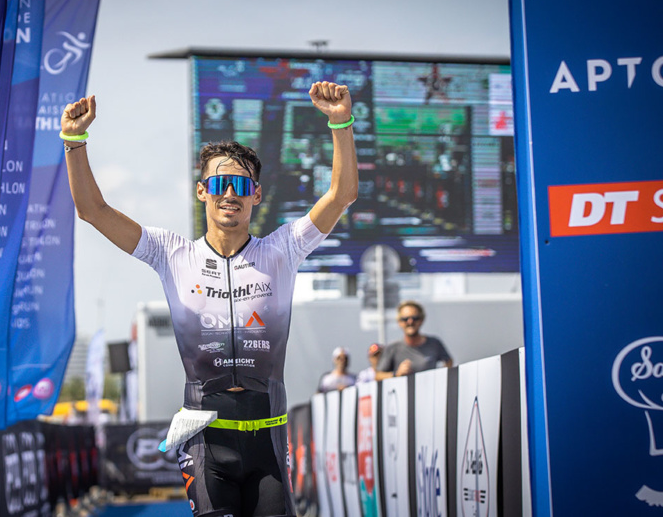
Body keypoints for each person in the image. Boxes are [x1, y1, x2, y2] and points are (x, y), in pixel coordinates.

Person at [61, 82, 357, 517]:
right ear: (202, 191)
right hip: (206, 438)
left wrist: (340, 123)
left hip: (269, 438)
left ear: (256, 195)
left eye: (241, 184)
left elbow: (341, 195)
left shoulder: (283, 249)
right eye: (219, 182)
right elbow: (93, 210)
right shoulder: (172, 253)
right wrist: (74, 140)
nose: (230, 193)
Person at [376, 300, 452, 379]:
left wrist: (440, 376)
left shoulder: (434, 343)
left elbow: (449, 362)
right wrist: (396, 374)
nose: (410, 322)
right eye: (405, 319)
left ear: (422, 320)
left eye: (415, 318)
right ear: (399, 322)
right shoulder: (393, 348)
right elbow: (378, 376)